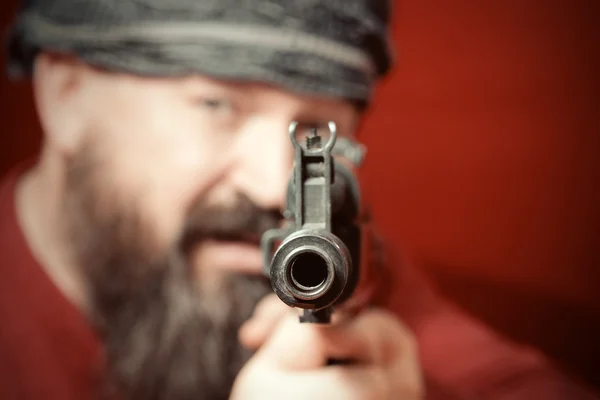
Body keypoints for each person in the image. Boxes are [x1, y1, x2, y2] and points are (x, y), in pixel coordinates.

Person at [0, 1, 596, 399]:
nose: (273, 186)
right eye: (217, 106)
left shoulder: (338, 267)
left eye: (316, 129)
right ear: (67, 93)